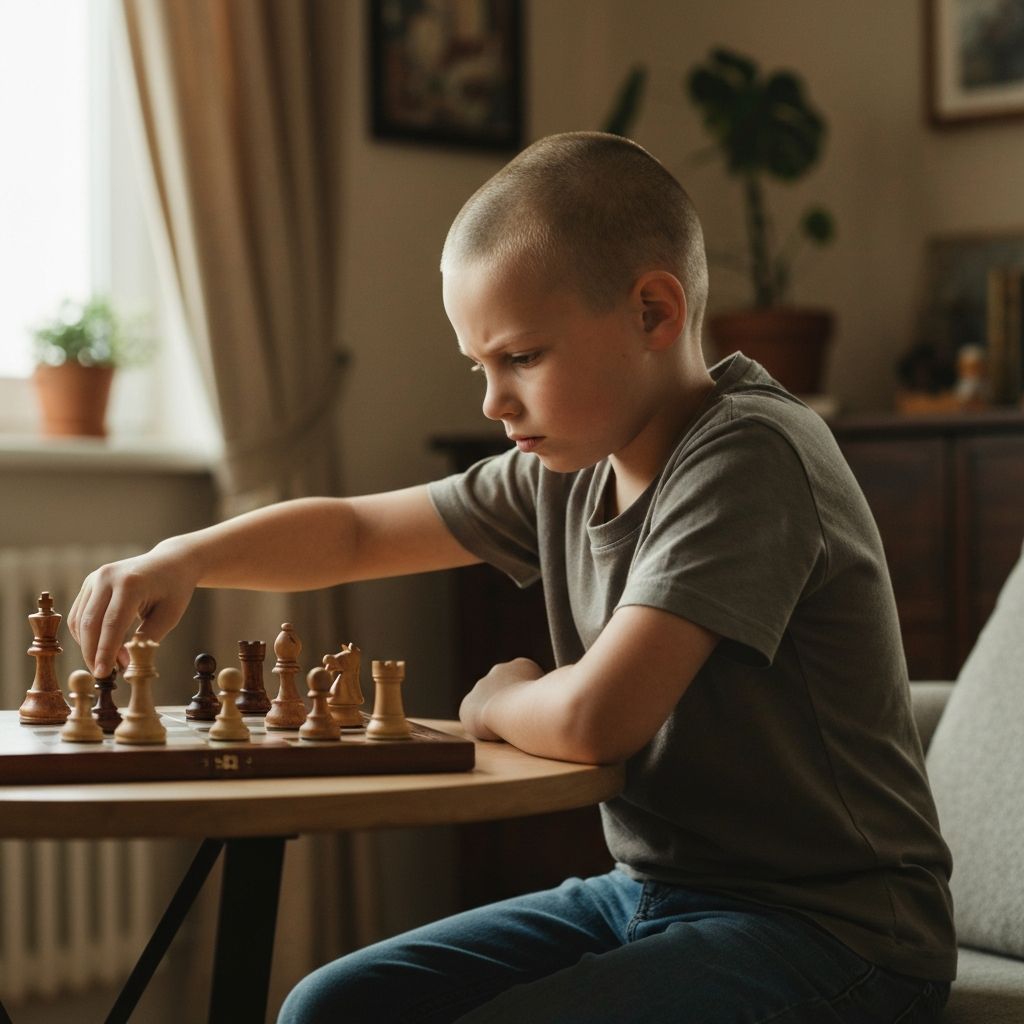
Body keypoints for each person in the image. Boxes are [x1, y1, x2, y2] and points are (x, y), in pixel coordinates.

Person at [70, 132, 955, 1023]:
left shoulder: (749, 454)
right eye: (479, 367)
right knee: (330, 1007)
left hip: (834, 933)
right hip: (652, 893)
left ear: (653, 312)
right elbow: (357, 532)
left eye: (522, 358)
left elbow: (593, 718)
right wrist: (183, 557)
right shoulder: (566, 470)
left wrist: (494, 701)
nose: (492, 402)